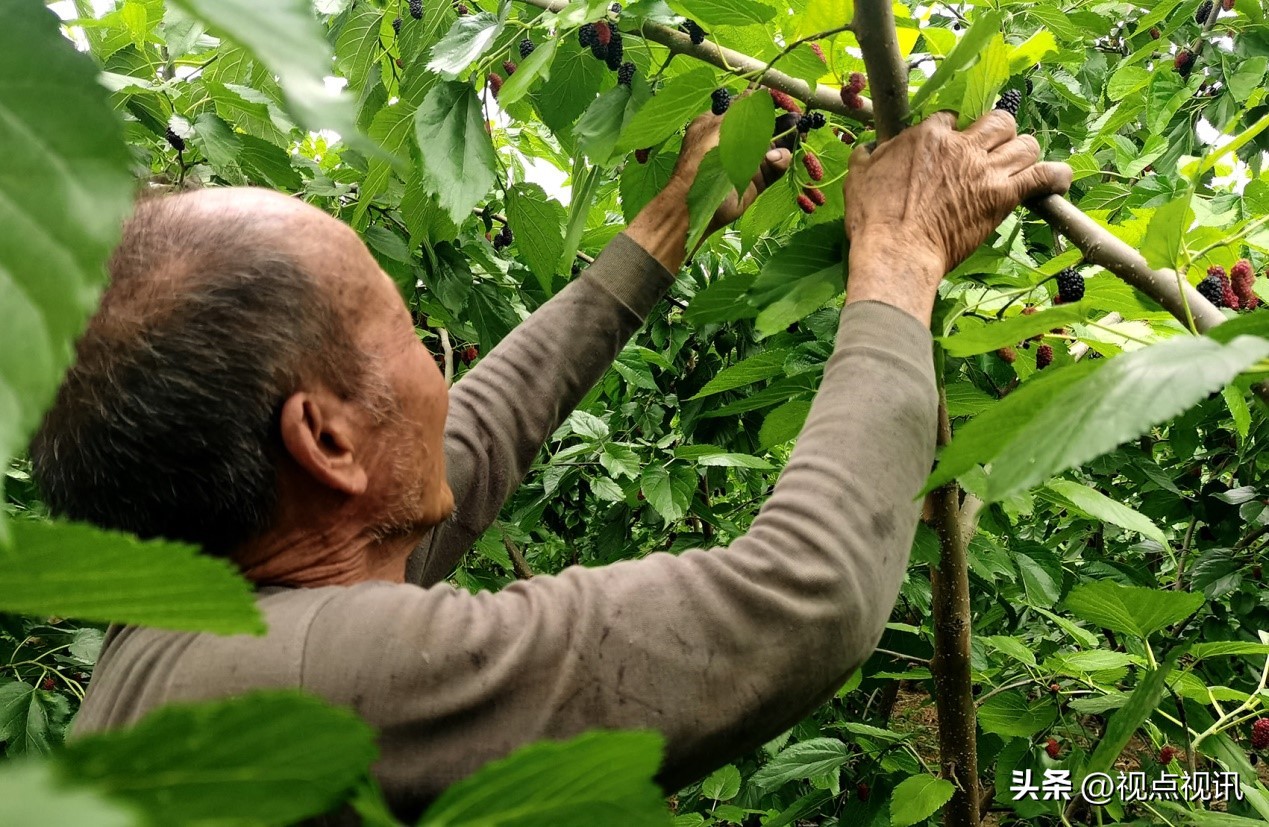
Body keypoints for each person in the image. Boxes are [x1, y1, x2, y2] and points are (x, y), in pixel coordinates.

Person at [36, 106, 1070, 822]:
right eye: (406, 328)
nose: (436, 359)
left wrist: (667, 226)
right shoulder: (308, 691)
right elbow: (800, 599)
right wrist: (899, 255)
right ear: (327, 442)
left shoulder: (198, 619)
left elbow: (469, 436)